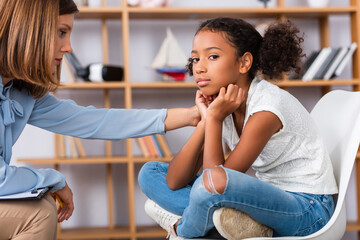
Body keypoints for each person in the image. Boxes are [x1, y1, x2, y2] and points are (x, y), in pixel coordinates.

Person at [0, 1, 200, 239]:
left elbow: (96, 120)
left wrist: (190, 115)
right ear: (30, 28)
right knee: (40, 212)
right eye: (61, 32)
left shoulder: (21, 92)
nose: (68, 48)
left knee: (41, 207)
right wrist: (54, 179)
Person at [138, 17, 338, 239]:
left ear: (244, 63)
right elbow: (176, 181)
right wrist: (207, 120)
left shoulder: (267, 108)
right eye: (195, 58)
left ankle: (182, 228)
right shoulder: (225, 104)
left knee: (214, 183)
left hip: (308, 210)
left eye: (212, 56)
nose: (199, 67)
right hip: (269, 203)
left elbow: (213, 182)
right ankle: (224, 223)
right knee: (150, 173)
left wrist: (213, 118)